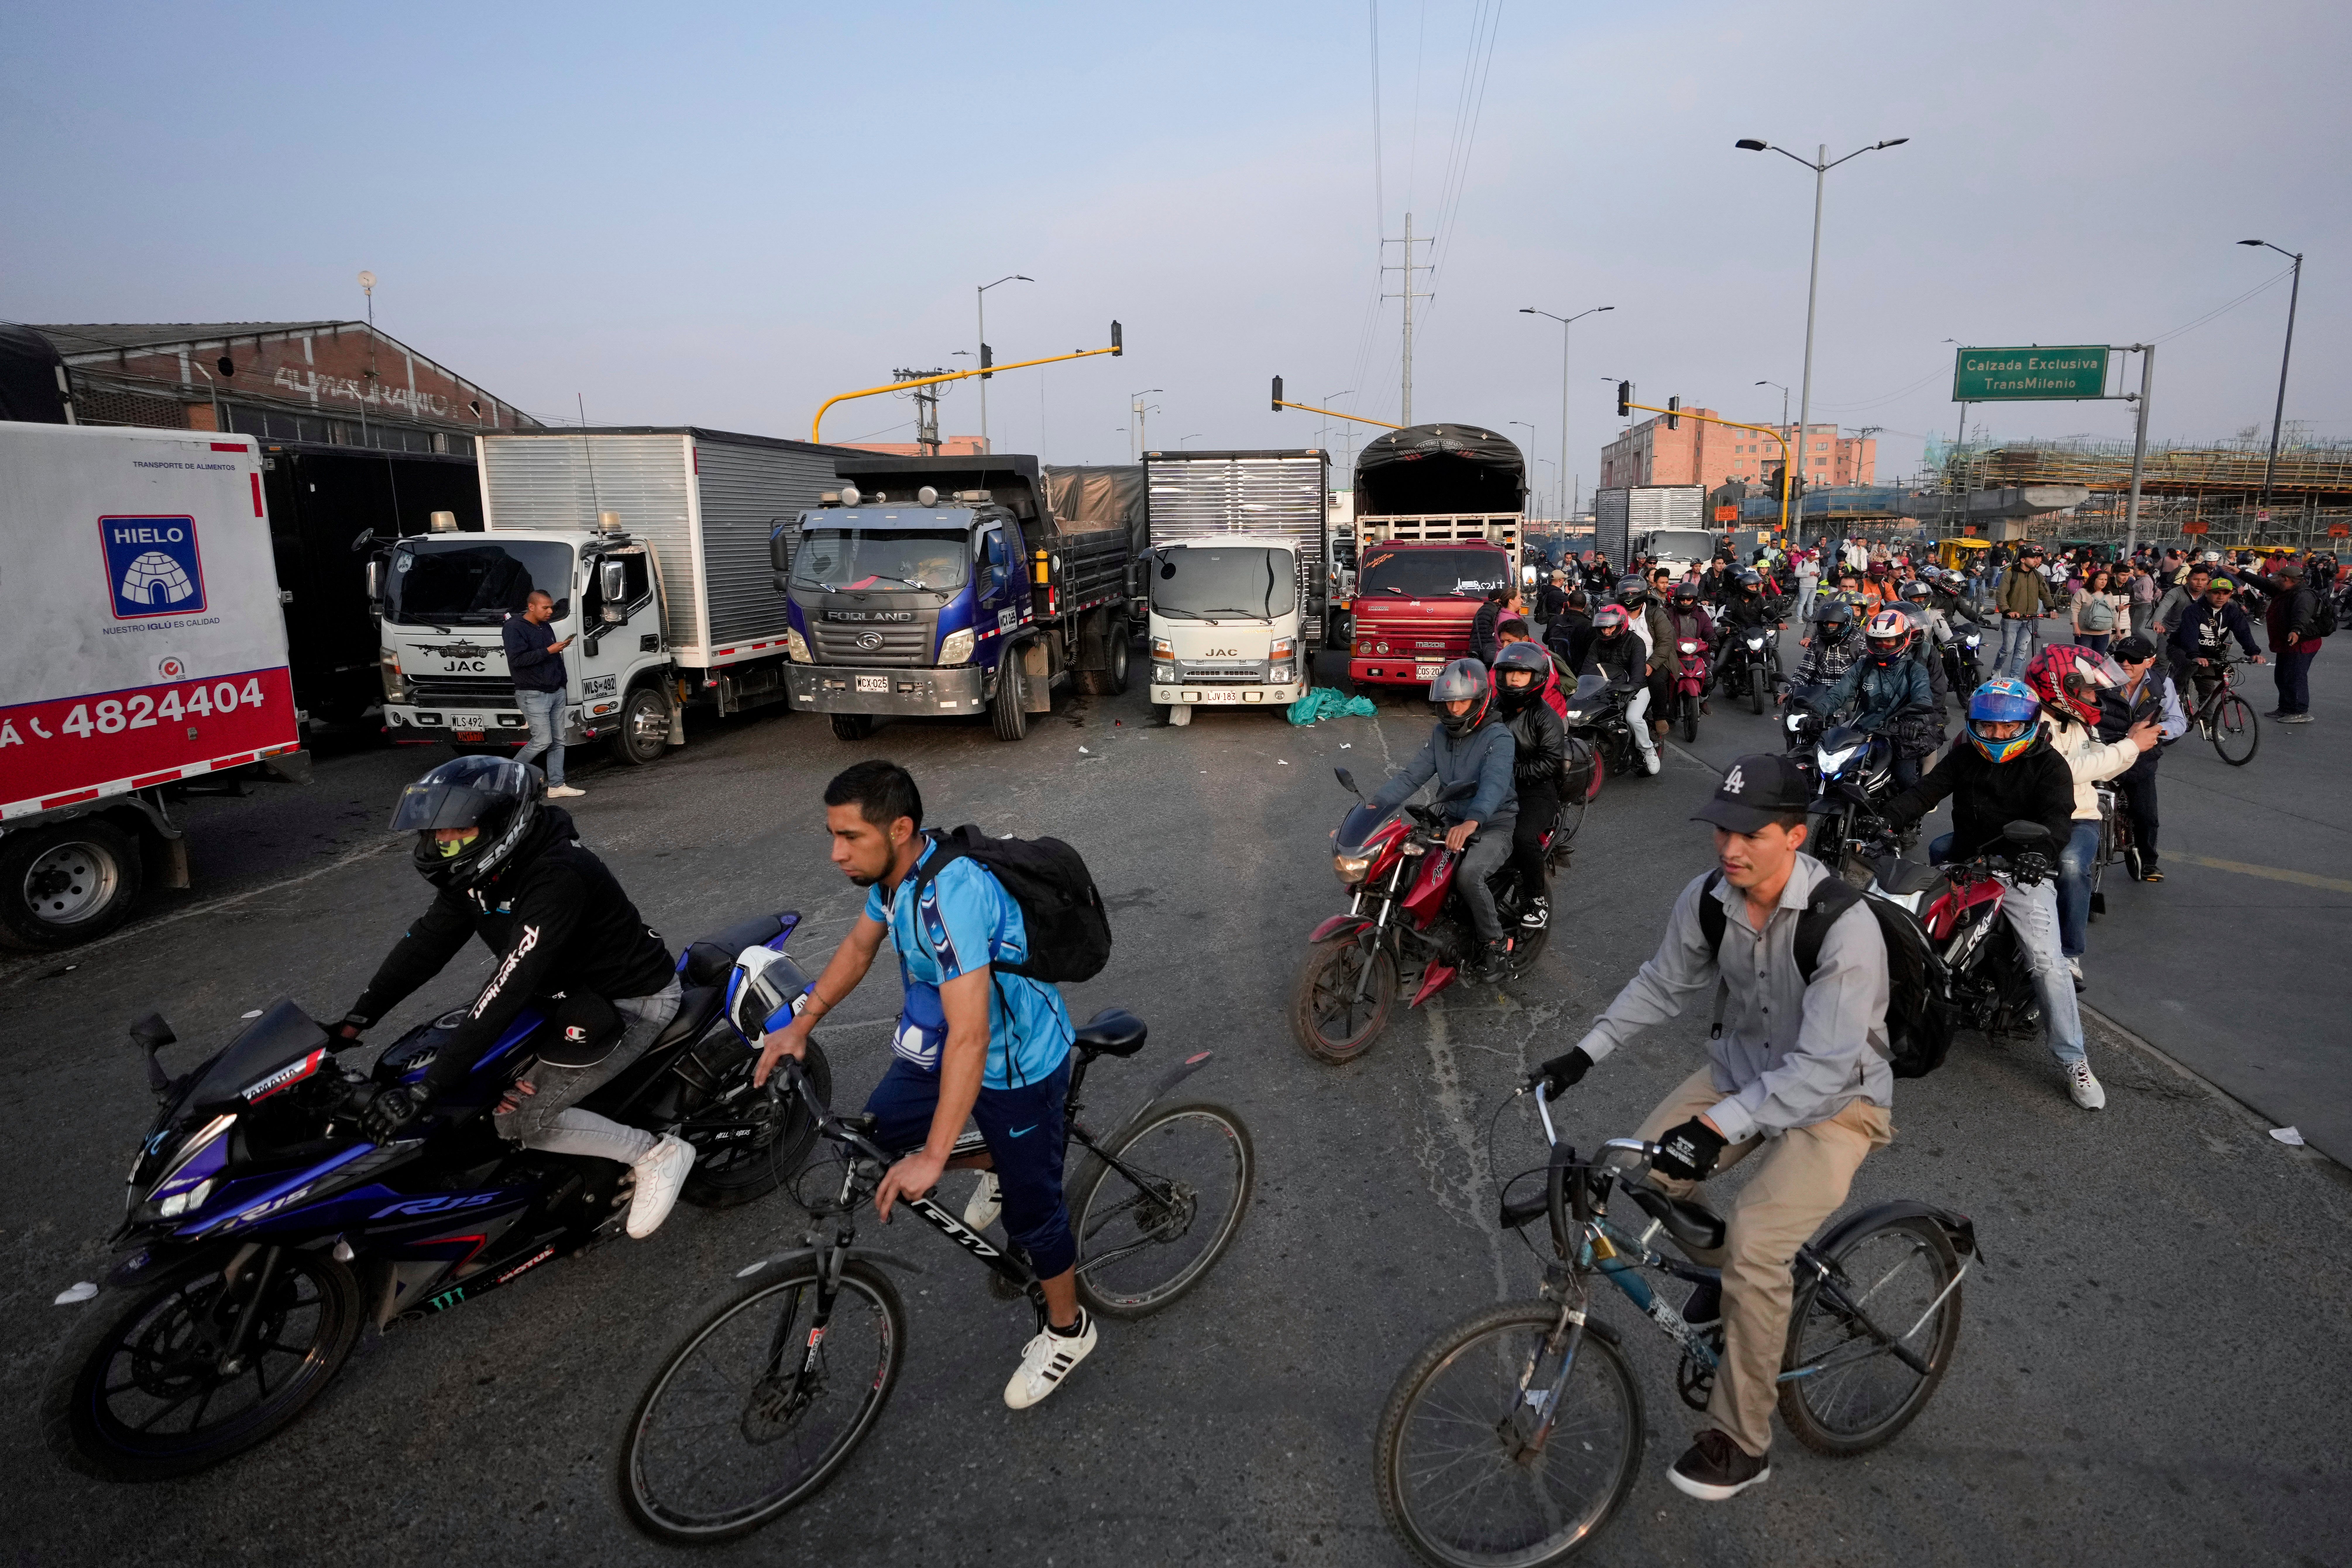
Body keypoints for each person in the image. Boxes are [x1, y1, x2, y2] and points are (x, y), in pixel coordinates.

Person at [1531, 753, 1892, 1501]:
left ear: (1793, 836)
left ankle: (1741, 1440)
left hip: (1837, 1101)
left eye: (1749, 832)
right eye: (1720, 829)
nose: (1729, 847)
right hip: (1742, 1069)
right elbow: (1662, 983)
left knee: (1760, 1243)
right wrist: (1581, 1054)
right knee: (1641, 1171)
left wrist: (1717, 1124)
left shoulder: (1842, 925)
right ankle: (1731, 1283)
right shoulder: (1708, 897)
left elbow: (1823, 1066)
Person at [752, 761, 1092, 1410]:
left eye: (849, 836)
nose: (835, 852)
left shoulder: (951, 896)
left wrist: (936, 1157)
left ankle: (1067, 1329)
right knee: (869, 1137)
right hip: (945, 1047)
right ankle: (992, 1158)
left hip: (1014, 1061)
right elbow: (857, 949)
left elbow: (972, 1037)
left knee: (1035, 1213)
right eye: (833, 834)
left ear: (899, 829)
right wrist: (801, 1023)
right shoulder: (893, 877)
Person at [338, 755, 693, 1236]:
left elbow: (509, 983)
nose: (440, 844)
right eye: (434, 834)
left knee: (521, 1120)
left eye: (453, 833)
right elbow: (426, 943)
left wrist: (431, 1085)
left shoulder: (556, 874)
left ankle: (653, 1152)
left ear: (501, 826)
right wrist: (357, 1018)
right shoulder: (479, 872)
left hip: (629, 1001)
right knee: (476, 1087)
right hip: (561, 994)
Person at [1880, 679, 2104, 1109]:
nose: (1997, 736)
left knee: (2046, 963)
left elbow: (2057, 823)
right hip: (1966, 862)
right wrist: (1884, 819)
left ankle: (2073, 1059)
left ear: (2027, 725)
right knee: (1907, 928)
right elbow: (1925, 791)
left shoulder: (2049, 766)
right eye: (1987, 727)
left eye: (2007, 729)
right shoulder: (1964, 754)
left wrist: (2037, 856)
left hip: (2022, 871)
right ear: (1974, 725)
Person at [1359, 659, 1519, 973]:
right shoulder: (1441, 734)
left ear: (1479, 700)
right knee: (1407, 860)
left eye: (1463, 701)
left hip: (1492, 824)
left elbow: (1495, 783)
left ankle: (1495, 945)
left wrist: (1473, 821)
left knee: (1469, 875)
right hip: (1451, 820)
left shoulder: (1498, 737)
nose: (1456, 709)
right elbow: (1410, 777)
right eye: (1450, 702)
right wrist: (1372, 811)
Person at [2024, 646, 2157, 983]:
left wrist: (2130, 744)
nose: (2092, 696)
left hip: (2077, 816)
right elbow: (2061, 771)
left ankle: (2068, 953)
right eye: (2085, 689)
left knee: (2070, 867)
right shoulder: (2031, 723)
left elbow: (2098, 765)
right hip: (2029, 814)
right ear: (2060, 687)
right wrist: (2129, 746)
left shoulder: (2080, 722)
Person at [2100, 634, 2188, 883]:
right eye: (2120, 657)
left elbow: (2178, 722)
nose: (2126, 663)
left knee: (2146, 814)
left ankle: (2147, 862)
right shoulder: (2099, 678)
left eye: (2134, 659)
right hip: (2102, 750)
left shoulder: (2163, 684)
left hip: (2141, 757)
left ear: (2149, 661)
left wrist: (2154, 732)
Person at [1494, 642, 1570, 930]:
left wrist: (1510, 773)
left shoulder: (1545, 717)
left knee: (1522, 836)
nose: (1514, 679)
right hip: (1495, 787)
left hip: (1535, 791)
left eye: (1522, 674)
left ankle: (1536, 900)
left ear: (1536, 678)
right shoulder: (1493, 708)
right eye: (1510, 673)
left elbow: (1550, 763)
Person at [1820, 610, 1937, 789]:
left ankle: (1903, 816)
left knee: (1905, 778)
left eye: (1889, 641)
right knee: (1826, 766)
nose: (1882, 646)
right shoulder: (1863, 666)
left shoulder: (1915, 670)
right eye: (1877, 641)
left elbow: (1923, 700)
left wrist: (1913, 723)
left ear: (1902, 639)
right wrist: (1816, 712)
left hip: (1899, 735)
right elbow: (1839, 693)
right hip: (1861, 730)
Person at [504, 590, 586, 799]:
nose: (550, 611)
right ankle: (505, 779)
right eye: (545, 608)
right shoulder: (514, 627)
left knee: (559, 740)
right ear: (531, 606)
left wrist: (562, 683)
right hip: (533, 693)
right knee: (542, 741)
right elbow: (517, 660)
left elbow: (554, 659)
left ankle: (557, 786)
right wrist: (549, 651)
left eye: (551, 607)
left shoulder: (545, 626)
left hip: (556, 689)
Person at [1579, 605, 1662, 776]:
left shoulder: (1636, 642)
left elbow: (1639, 675)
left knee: (1633, 717)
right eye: (1603, 628)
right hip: (1607, 690)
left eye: (1611, 627)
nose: (1607, 632)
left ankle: (1648, 750)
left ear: (1621, 625)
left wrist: (1629, 691)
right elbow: (1587, 669)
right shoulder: (1596, 644)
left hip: (1636, 689)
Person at [2170, 574, 2265, 708]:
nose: (2221, 597)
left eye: (2226, 593)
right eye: (2216, 593)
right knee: (2189, 665)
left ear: (2230, 595)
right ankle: (2174, 697)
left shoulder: (2232, 611)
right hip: (2183, 649)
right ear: (2207, 593)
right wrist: (2195, 655)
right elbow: (2189, 635)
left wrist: (2254, 652)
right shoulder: (2194, 611)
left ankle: (2208, 726)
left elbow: (2243, 633)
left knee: (2208, 692)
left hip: (2208, 653)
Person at [2249, 558, 2324, 723]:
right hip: (2288, 643)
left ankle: (2300, 711)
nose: (2275, 581)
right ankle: (2285, 708)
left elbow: (2302, 615)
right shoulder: (2286, 590)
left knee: (2295, 676)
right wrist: (2240, 573)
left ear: (2285, 579)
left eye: (2278, 578)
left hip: (2301, 643)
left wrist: (2295, 631)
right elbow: (2264, 584)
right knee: (2282, 676)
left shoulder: (2303, 595)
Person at [1991, 544, 2060, 678]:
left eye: (2039, 558)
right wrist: (2007, 611)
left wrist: (2051, 608)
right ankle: (1996, 670)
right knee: (2007, 650)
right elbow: (2001, 594)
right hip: (2012, 620)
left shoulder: (2038, 576)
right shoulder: (2011, 574)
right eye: (2034, 558)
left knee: (2022, 650)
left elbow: (2045, 594)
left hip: (2030, 620)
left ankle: (2014, 676)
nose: (2037, 561)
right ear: (2023, 560)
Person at [1790, 599, 1864, 689]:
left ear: (1845, 623)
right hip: (1817, 696)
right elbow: (1804, 672)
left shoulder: (1860, 645)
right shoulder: (1816, 644)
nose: (1828, 627)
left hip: (1848, 698)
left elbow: (1864, 677)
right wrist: (1791, 689)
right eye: (1825, 624)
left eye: (1833, 623)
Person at [2071, 567, 2124, 657]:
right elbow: (2074, 610)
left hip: (2104, 633)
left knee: (2099, 658)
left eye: (2106, 580)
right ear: (2094, 580)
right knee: (2083, 657)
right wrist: (2076, 628)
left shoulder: (2108, 594)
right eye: (2101, 580)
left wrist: (2118, 630)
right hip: (2084, 632)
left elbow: (2113, 612)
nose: (2104, 582)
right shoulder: (2082, 592)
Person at [1471, 585, 1513, 667]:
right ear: (1498, 600)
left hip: (1480, 648)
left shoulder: (1486, 609)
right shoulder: (1493, 611)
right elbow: (1487, 633)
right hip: (1486, 650)